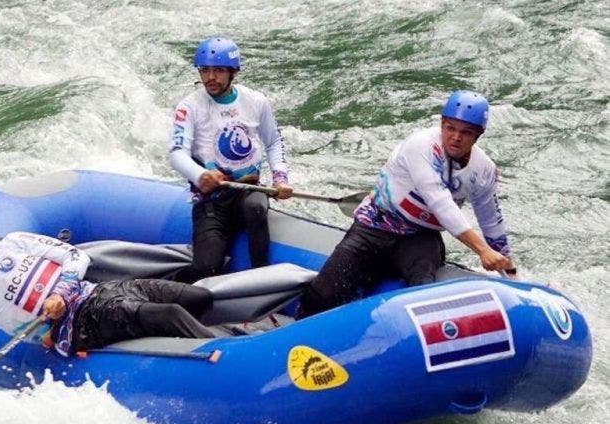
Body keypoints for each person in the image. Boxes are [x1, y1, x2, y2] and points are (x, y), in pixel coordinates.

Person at [0, 208, 216, 414]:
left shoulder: (17, 242)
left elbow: (75, 257)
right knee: (170, 314)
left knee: (198, 297)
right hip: (79, 324)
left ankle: (222, 331)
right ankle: (224, 353)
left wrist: (61, 292)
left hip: (99, 291)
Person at [296, 90, 517, 319]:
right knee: (322, 295)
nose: (456, 137)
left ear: (478, 136)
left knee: (422, 293)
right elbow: (440, 202)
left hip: (420, 238)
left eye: (466, 133)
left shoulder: (485, 170)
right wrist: (481, 250)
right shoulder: (421, 145)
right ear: (442, 124)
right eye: (450, 128)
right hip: (375, 226)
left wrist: (508, 269)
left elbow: (491, 220)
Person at [169, 36, 294, 283]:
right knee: (207, 268)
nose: (210, 77)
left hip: (248, 188)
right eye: (205, 70)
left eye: (218, 70)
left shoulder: (256, 101)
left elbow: (273, 142)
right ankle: (171, 285)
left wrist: (280, 177)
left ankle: (261, 279)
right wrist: (200, 175)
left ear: (232, 72)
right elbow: (176, 153)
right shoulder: (189, 107)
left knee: (256, 208)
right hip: (212, 199)